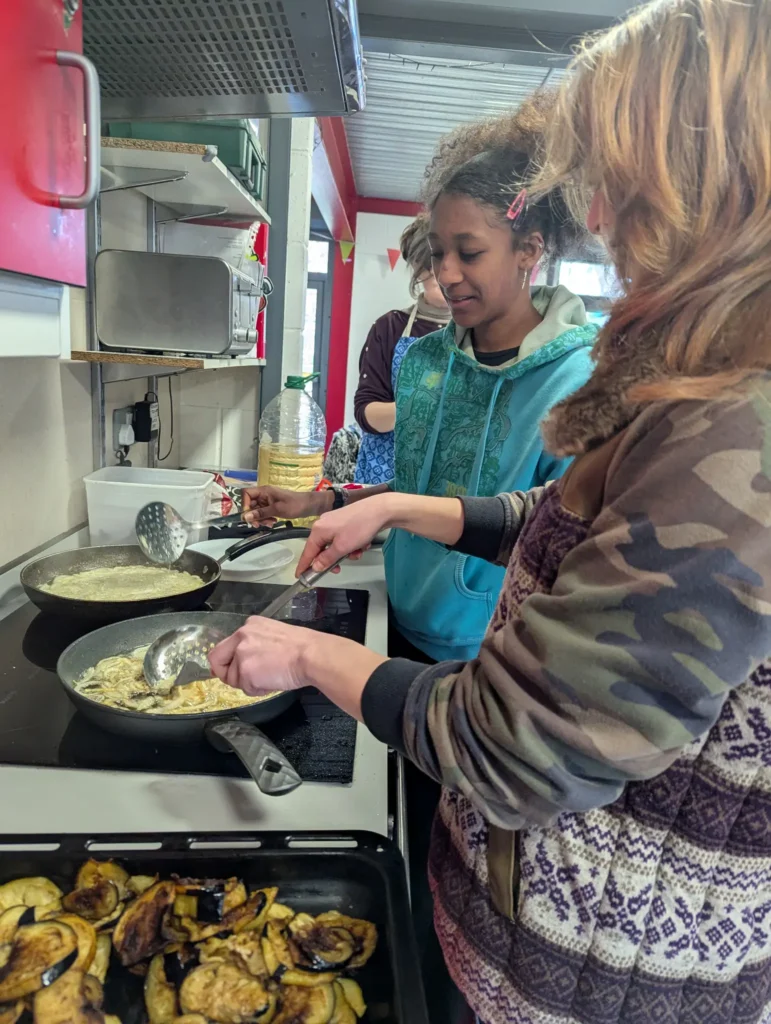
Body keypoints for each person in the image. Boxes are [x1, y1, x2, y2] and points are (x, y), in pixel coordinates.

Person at [211, 0, 771, 1020]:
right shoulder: (698, 385)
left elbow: (520, 744)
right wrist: (394, 506)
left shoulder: (738, 425)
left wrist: (306, 658)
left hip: (600, 986)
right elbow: (577, 526)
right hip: (530, 935)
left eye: (619, 176)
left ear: (715, 172)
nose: (597, 215)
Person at [244, 91, 597, 665]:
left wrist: (383, 511)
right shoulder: (428, 362)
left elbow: (560, 541)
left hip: (494, 648)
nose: (447, 274)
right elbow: (419, 489)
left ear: (528, 250)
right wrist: (321, 504)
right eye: (437, 253)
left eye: (470, 252)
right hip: (398, 610)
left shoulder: (578, 383)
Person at [353, 214, 451, 486]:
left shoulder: (480, 332)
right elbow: (367, 413)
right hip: (387, 474)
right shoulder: (390, 328)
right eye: (433, 267)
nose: (447, 275)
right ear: (418, 269)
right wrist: (422, 407)